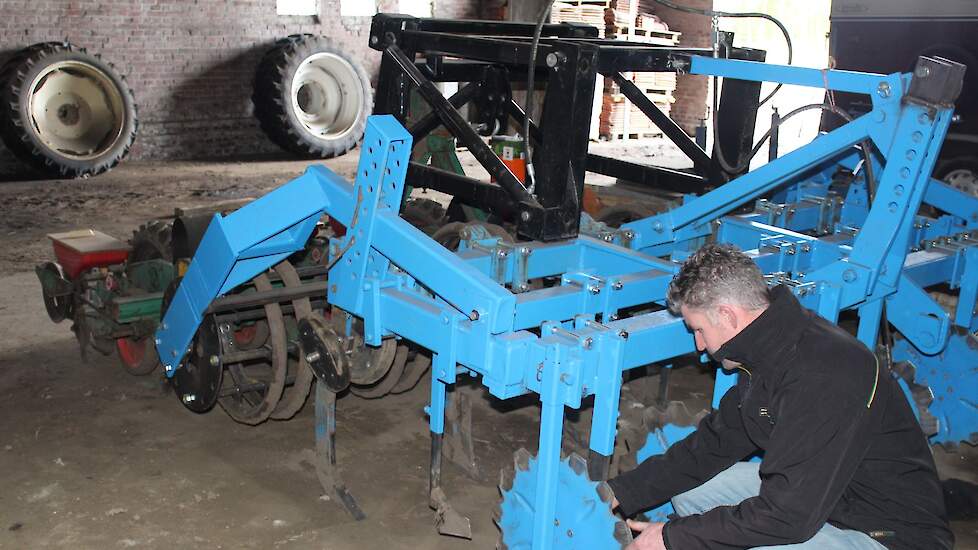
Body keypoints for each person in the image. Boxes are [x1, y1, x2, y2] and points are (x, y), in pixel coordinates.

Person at [606, 244, 953, 550]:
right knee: (692, 492)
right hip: (830, 497)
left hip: (887, 533)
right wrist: (621, 492)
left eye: (699, 329)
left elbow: (788, 517)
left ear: (727, 315)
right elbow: (714, 444)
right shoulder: (770, 350)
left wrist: (671, 538)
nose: (699, 346)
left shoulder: (822, 373)